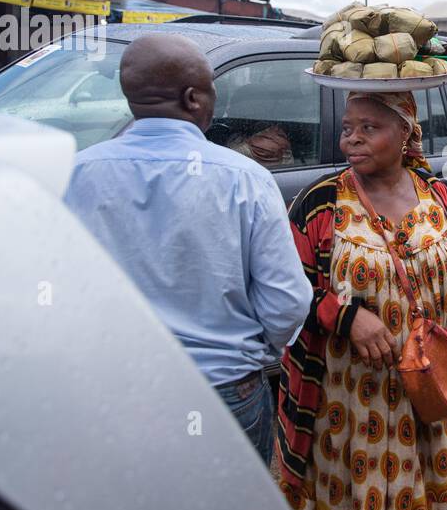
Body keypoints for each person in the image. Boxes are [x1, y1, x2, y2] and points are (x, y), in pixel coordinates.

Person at [63, 34, 311, 464]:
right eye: (213, 90)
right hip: (225, 392)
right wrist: (250, 357)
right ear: (194, 98)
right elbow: (288, 300)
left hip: (111, 391)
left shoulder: (75, 174)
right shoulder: (245, 178)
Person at [276, 91, 447, 510]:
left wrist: (443, 346)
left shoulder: (435, 194)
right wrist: (345, 318)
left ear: (406, 133)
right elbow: (284, 290)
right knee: (348, 494)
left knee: (415, 484)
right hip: (344, 401)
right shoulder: (321, 201)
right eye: (348, 127)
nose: (352, 138)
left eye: (369, 127)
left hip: (418, 391)